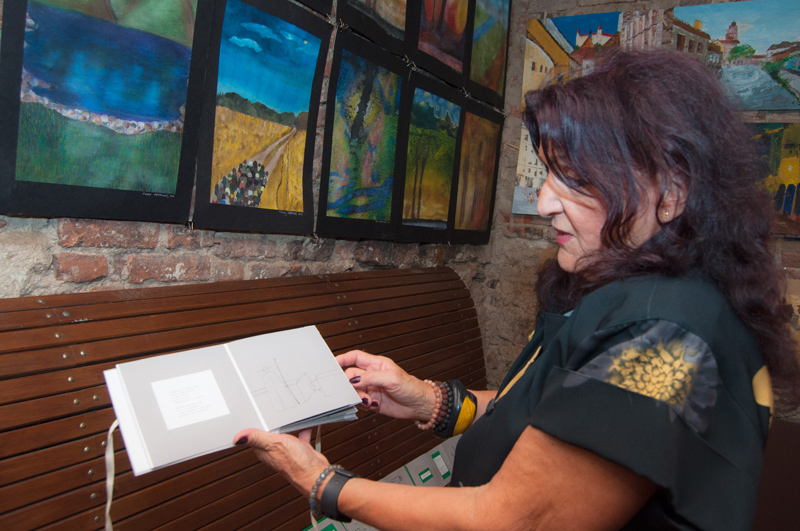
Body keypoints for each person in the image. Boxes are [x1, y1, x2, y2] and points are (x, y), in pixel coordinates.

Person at [234, 50, 800, 530]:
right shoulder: (640, 292)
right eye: (549, 173)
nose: (545, 201)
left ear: (671, 191)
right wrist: (430, 400)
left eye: (576, 179)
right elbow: (545, 414)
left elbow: (512, 520)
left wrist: (324, 484)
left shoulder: (664, 332)